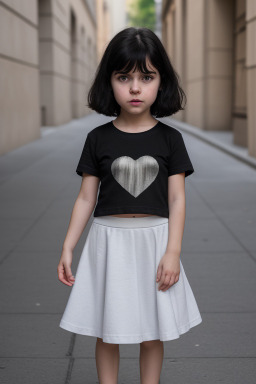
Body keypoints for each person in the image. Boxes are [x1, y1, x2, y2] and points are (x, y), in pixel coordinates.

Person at [57, 27, 202, 384]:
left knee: (152, 331)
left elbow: (177, 198)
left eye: (146, 77)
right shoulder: (98, 138)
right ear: (110, 82)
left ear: (161, 82)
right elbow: (86, 197)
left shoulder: (171, 139)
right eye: (124, 77)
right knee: (107, 330)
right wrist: (68, 246)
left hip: (155, 241)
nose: (135, 88)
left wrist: (173, 251)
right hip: (109, 242)